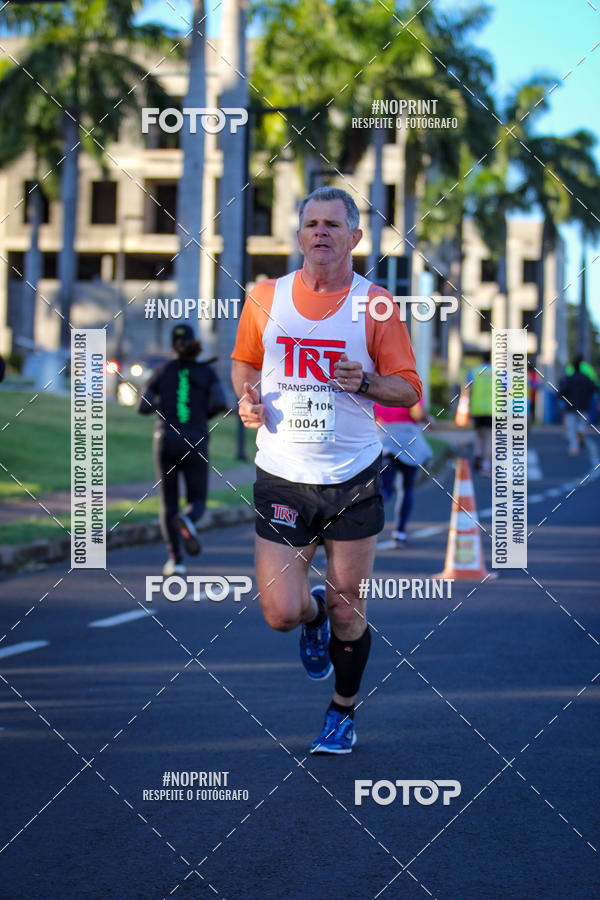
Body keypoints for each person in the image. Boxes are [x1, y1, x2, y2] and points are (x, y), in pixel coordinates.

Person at [231, 186, 422, 754]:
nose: (320, 232)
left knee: (348, 605)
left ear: (355, 238)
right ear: (298, 235)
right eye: (311, 223)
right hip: (283, 474)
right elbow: (245, 361)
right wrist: (247, 399)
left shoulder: (377, 306)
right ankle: (309, 619)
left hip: (353, 476)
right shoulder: (265, 296)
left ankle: (342, 711)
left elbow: (410, 389)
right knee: (281, 611)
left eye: (333, 225)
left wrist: (363, 381)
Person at [138, 324, 227, 575]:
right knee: (197, 500)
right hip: (195, 439)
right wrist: (201, 415)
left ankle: (175, 560)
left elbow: (142, 407)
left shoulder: (161, 371)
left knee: (168, 504)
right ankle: (189, 519)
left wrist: (164, 406)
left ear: (171, 345)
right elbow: (220, 402)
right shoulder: (206, 372)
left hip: (165, 439)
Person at [374, 400, 432, 546]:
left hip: (385, 439)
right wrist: (428, 419)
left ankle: (366, 521)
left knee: (384, 489)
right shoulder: (410, 385)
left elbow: (372, 417)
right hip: (409, 441)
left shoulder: (377, 387)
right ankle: (400, 532)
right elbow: (418, 413)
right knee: (406, 489)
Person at [559, 355, 596, 455]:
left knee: (571, 428)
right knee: (582, 424)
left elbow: (561, 391)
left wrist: (560, 398)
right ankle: (580, 431)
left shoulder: (568, 377)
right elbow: (593, 389)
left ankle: (573, 448)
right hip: (584, 405)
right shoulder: (587, 375)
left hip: (570, 407)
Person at [465, 351, 493, 474]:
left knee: (478, 434)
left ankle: (477, 452)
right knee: (489, 437)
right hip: (492, 410)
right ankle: (486, 465)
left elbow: (467, 388)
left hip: (477, 408)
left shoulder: (474, 371)